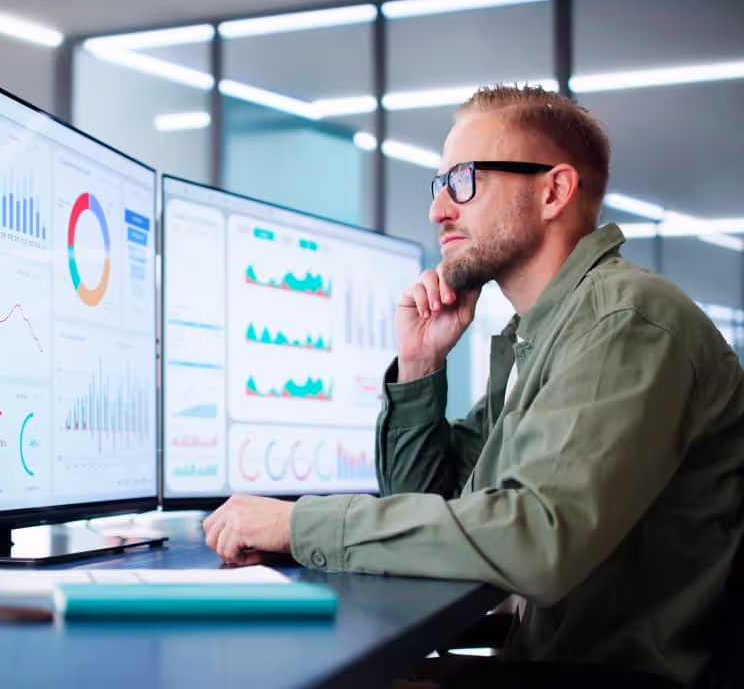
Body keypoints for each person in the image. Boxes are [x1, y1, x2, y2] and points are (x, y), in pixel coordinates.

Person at [203, 84, 744, 687]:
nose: (438, 210)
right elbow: (434, 510)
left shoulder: (623, 323)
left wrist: (298, 525)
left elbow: (537, 539)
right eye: (439, 185)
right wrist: (421, 365)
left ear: (554, 191)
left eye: (463, 181)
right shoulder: (540, 336)